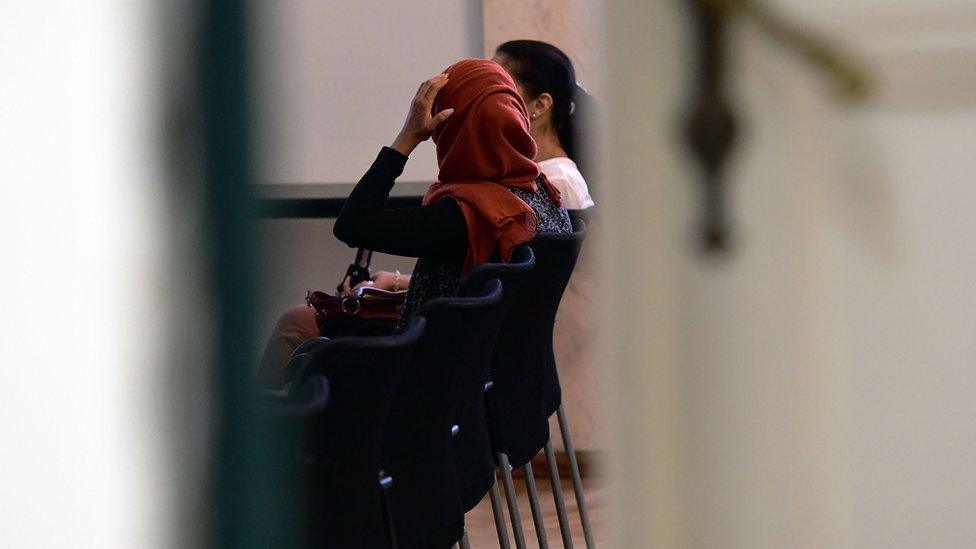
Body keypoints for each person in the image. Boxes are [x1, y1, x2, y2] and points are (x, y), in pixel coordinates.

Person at [256, 59, 570, 388]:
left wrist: (407, 137)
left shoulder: (471, 215)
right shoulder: (547, 198)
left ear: (453, 129)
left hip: (424, 381)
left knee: (298, 326)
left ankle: (256, 435)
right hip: (499, 380)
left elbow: (352, 224)